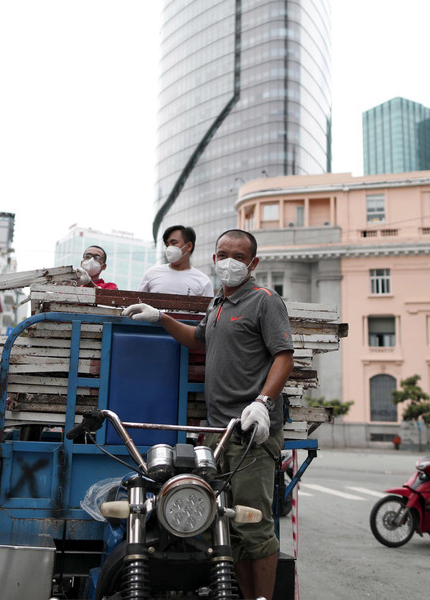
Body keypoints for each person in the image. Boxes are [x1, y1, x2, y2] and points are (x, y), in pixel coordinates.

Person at [123, 229, 292, 600]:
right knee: (228, 529)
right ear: (214, 258)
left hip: (250, 431)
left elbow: (284, 356)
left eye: (239, 256)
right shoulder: (217, 302)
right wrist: (161, 317)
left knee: (254, 525)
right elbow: (197, 338)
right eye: (223, 254)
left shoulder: (265, 301)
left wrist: (262, 402)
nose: (229, 262)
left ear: (253, 263)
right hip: (220, 433)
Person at [137, 224, 214, 297]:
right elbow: (137, 302)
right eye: (167, 245)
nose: (169, 248)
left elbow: (209, 306)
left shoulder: (203, 281)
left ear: (189, 246)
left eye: (174, 243)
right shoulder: (152, 274)